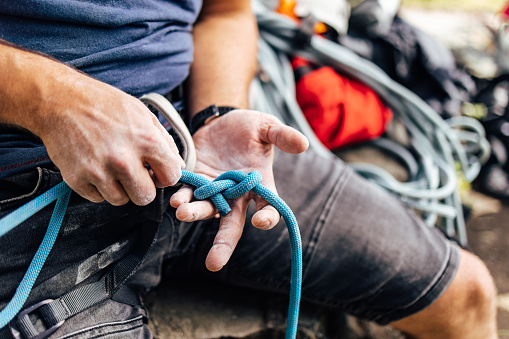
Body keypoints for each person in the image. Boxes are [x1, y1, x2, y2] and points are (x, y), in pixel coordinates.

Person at [0, 0, 498, 338]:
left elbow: (227, 12)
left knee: (466, 292)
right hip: (29, 191)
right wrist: (53, 101)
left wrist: (217, 113)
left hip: (197, 155)